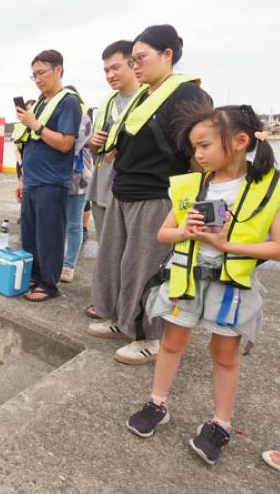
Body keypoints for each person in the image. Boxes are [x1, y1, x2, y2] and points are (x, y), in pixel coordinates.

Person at [125, 104, 280, 465]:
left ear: (239, 141)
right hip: (186, 278)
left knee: (225, 354)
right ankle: (158, 402)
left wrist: (226, 244)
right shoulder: (190, 184)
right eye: (194, 148)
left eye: (203, 146)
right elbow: (163, 232)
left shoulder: (274, 187)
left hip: (232, 285)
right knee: (172, 340)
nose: (197, 155)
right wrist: (186, 231)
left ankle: (221, 424)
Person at [87, 25, 213, 364]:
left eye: (140, 59)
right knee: (114, 261)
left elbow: (199, 149)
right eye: (133, 60)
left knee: (145, 267)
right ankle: (119, 318)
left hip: (157, 194)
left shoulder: (187, 95)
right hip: (124, 190)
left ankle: (149, 337)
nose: (135, 66)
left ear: (167, 54)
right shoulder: (143, 95)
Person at [15, 49, 83, 301]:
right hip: (33, 180)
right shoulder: (41, 102)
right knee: (30, 234)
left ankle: (49, 283)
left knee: (49, 235)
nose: (38, 79)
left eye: (41, 73)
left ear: (59, 70)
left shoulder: (68, 102)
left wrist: (36, 125)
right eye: (33, 75)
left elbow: (66, 143)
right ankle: (34, 275)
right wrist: (23, 179)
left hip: (51, 181)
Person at [83, 40, 141, 317]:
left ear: (134, 63)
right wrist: (93, 143)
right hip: (102, 186)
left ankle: (127, 305)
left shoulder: (148, 98)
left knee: (131, 251)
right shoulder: (106, 101)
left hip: (131, 190)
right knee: (107, 249)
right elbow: (95, 149)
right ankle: (105, 300)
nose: (110, 75)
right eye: (106, 70)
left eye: (115, 67)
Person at [61, 91, 93, 283]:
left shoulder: (83, 116)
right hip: (57, 179)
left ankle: (68, 265)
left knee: (74, 224)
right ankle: (57, 260)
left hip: (78, 181)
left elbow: (70, 145)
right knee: (58, 224)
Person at [12, 99, 36, 181]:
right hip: (22, 164)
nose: (29, 113)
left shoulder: (38, 127)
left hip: (34, 166)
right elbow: (16, 149)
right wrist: (22, 165)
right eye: (27, 110)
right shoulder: (19, 127)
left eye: (32, 110)